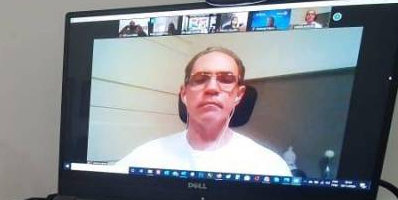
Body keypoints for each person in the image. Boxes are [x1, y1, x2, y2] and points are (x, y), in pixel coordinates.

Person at [117, 46, 292, 176]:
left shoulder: (270, 167)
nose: (212, 88)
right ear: (184, 94)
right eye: (200, 79)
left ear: (238, 95)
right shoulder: (144, 157)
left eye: (226, 79)